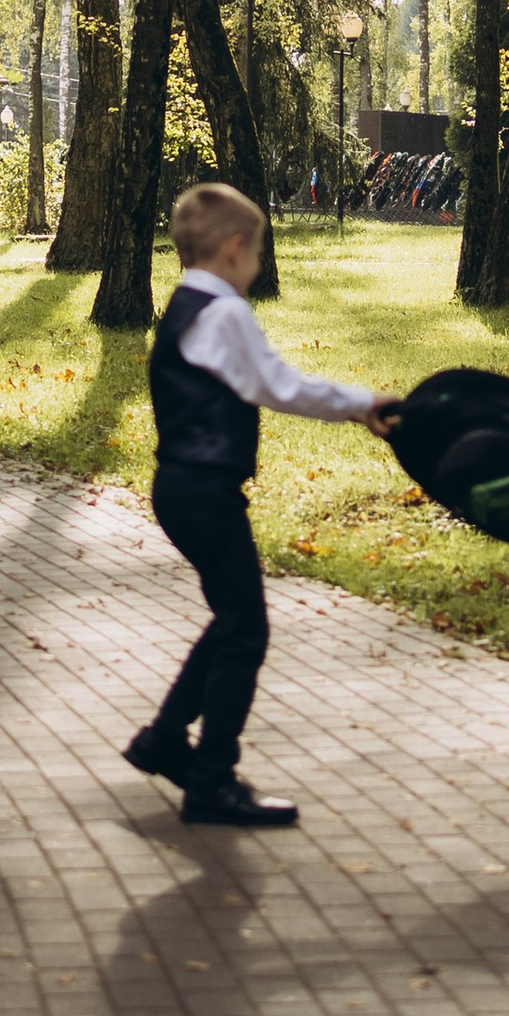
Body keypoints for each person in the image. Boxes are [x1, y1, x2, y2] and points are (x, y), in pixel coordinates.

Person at [124, 180, 399, 831]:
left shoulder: (186, 303)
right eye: (257, 253)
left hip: (182, 486)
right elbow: (279, 385)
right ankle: (212, 781)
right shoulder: (224, 313)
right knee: (246, 629)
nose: (256, 266)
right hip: (204, 489)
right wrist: (362, 402)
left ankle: (165, 738)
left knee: (233, 618)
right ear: (234, 248)